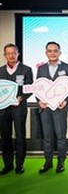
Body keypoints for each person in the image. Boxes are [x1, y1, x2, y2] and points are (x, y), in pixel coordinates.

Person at [36, 41, 68, 173]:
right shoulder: (41, 68)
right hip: (45, 108)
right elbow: (38, 87)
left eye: (55, 50)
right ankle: (48, 162)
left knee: (60, 136)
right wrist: (39, 101)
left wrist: (66, 101)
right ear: (46, 53)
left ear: (60, 52)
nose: (52, 53)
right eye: (50, 51)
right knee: (47, 136)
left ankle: (61, 162)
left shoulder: (67, 67)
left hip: (60, 107)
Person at [0, 43, 33, 175]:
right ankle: (8, 164)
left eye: (14, 53)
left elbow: (30, 88)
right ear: (4, 55)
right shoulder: (0, 71)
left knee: (20, 137)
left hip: (19, 108)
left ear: (18, 54)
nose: (11, 56)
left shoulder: (26, 70)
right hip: (3, 109)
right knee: (5, 137)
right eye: (8, 53)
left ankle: (19, 164)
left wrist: (21, 97)